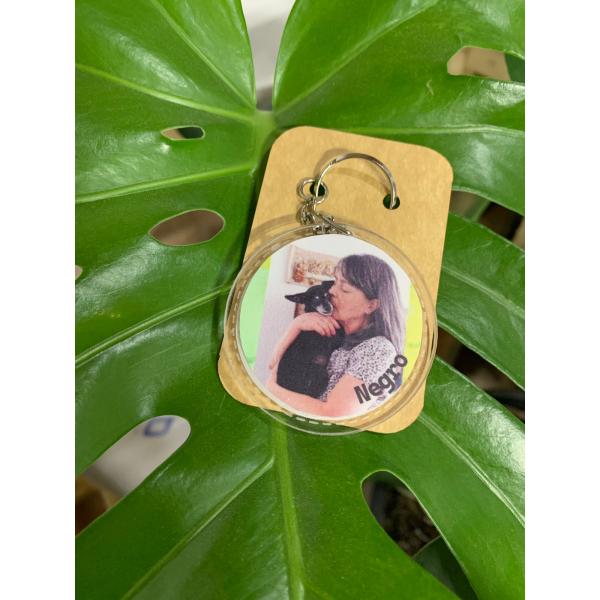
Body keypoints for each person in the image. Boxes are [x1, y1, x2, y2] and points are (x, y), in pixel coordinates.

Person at [266, 254, 406, 419]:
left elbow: (334, 413)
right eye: (334, 282)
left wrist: (273, 390)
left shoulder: (378, 350)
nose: (331, 291)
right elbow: (273, 363)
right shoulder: (337, 335)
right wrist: (296, 325)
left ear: (371, 305)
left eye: (344, 288)